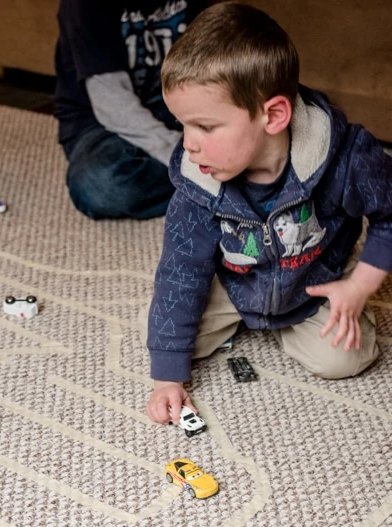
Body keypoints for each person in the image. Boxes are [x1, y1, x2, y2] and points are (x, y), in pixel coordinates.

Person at [146, 2, 392, 425]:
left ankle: (312, 315)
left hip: (310, 286)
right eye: (182, 125)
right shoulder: (198, 182)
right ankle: (238, 321)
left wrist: (357, 289)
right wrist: (167, 380)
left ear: (274, 115)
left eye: (205, 127)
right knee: (164, 340)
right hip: (232, 285)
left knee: (345, 360)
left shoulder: (347, 158)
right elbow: (181, 271)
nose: (189, 144)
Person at [54, 0, 208, 220]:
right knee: (100, 185)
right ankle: (216, 182)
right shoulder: (83, 6)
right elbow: (112, 107)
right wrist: (181, 156)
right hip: (102, 126)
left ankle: (210, 179)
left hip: (176, 115)